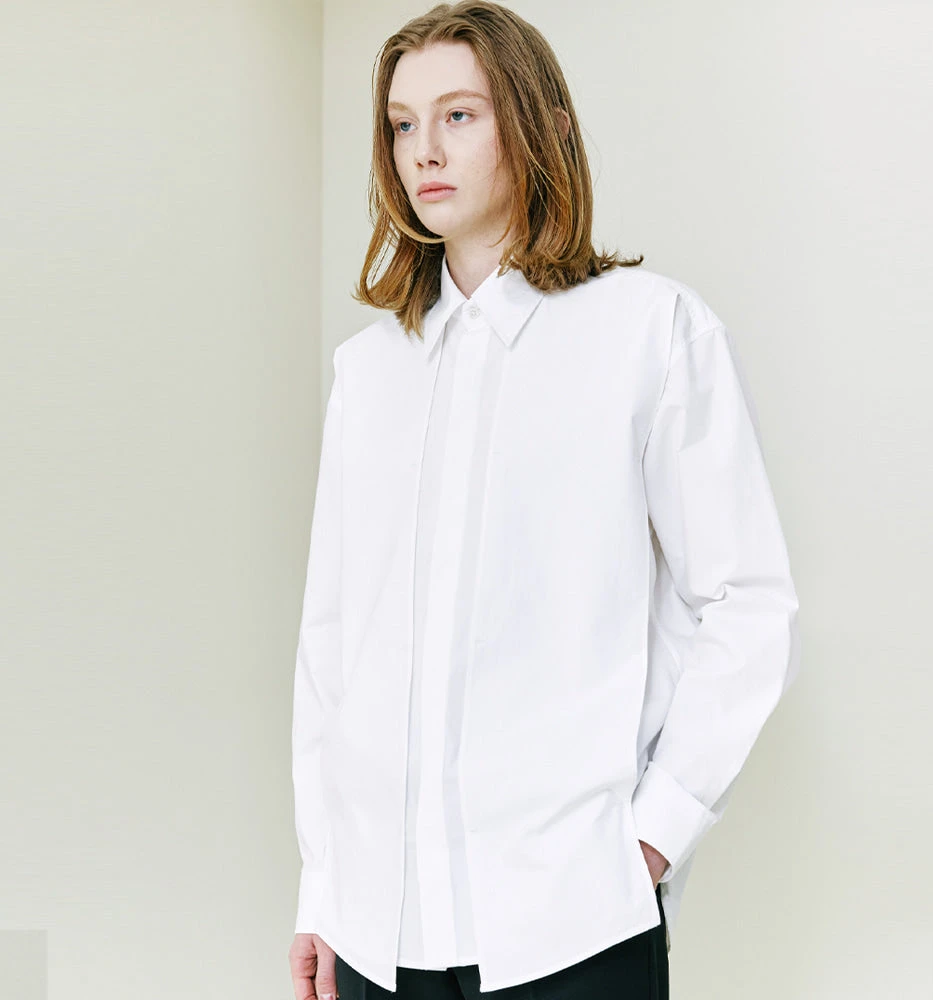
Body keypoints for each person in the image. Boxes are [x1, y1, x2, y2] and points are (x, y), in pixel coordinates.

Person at [288, 2, 800, 998]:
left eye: (459, 115)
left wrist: (654, 834)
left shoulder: (652, 334)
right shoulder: (369, 373)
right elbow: (332, 646)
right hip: (375, 932)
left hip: (572, 926)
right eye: (402, 124)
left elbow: (745, 601)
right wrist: (322, 887)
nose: (424, 150)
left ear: (540, 123)